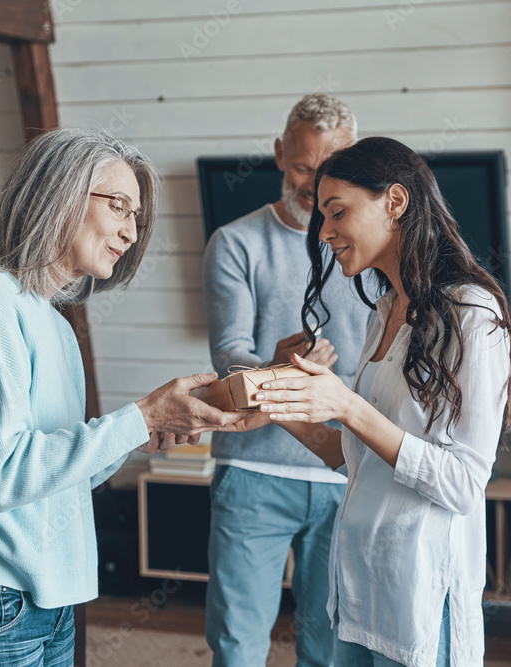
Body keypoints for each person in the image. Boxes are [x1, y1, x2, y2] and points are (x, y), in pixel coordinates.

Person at [0, 127, 247, 667]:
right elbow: (4, 475)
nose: (130, 232)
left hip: (40, 599)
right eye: (119, 206)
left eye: (137, 217)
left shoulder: (53, 322)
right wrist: (138, 415)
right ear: (58, 195)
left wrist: (137, 436)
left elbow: (50, 475)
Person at [244, 136, 511, 667]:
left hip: (423, 594)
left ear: (396, 202)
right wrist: (280, 400)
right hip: (361, 587)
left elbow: (463, 484)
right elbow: (356, 457)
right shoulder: (384, 312)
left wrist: (347, 405)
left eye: (337, 212)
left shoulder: (472, 314)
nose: (325, 232)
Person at [201, 93, 371, 667]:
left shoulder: (371, 253)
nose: (316, 183)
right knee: (238, 642)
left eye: (332, 168)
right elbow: (229, 359)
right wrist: (274, 368)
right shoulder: (234, 243)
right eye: (303, 167)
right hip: (251, 472)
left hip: (345, 471)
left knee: (332, 646)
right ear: (279, 155)